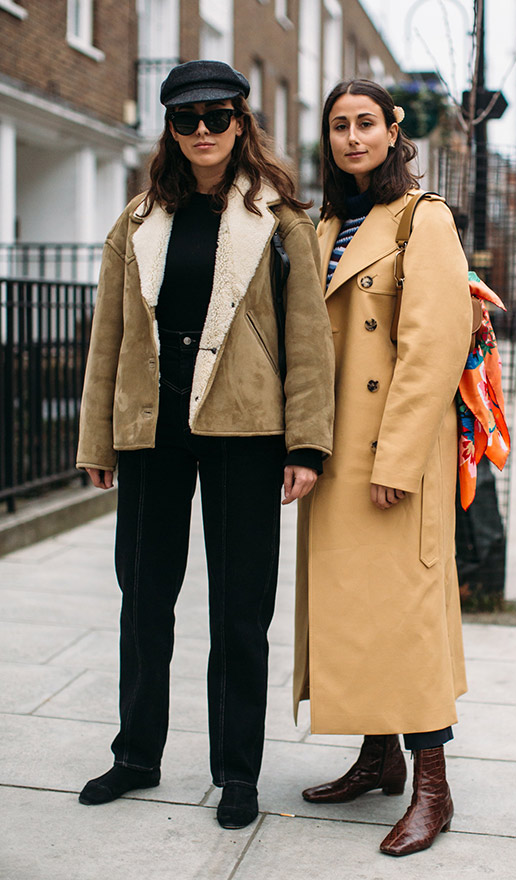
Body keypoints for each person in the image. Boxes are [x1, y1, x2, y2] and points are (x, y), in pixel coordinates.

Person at [75, 60, 334, 830]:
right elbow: (109, 337)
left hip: (245, 434)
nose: (201, 133)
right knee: (144, 601)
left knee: (238, 612)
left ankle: (237, 775)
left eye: (215, 118)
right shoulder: (138, 221)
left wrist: (306, 446)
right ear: (170, 128)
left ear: (240, 122)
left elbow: (309, 342)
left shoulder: (279, 219)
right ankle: (136, 756)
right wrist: (100, 439)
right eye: (186, 120)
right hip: (153, 431)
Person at [293, 79, 472, 857]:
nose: (352, 137)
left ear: (392, 133)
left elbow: (434, 347)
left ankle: (433, 786)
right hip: (334, 452)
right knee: (356, 611)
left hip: (391, 455)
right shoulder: (324, 221)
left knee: (404, 617)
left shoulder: (421, 219)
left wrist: (396, 456)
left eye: (365, 123)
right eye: (338, 125)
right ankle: (377, 757)